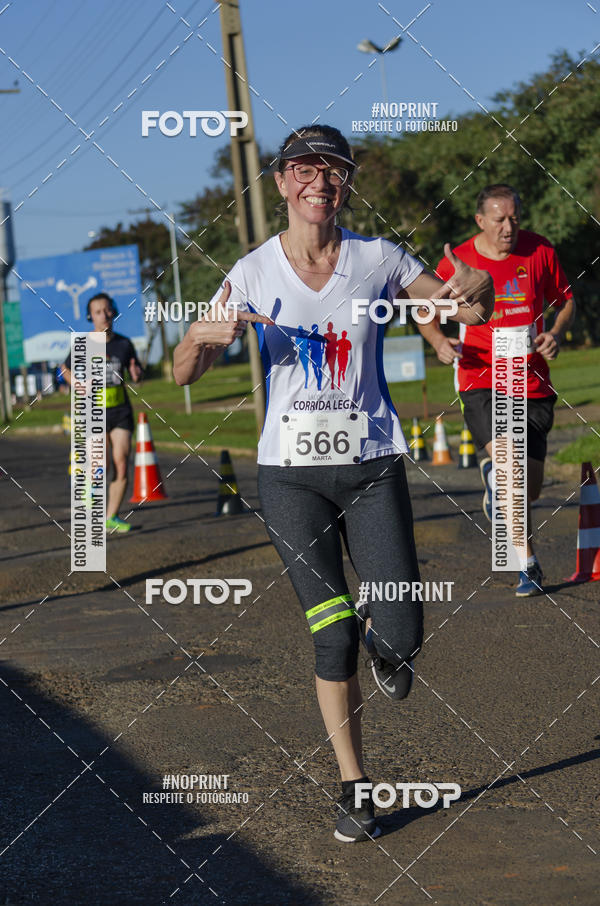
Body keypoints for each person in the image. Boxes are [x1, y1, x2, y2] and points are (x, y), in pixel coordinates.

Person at [173, 125, 494, 842]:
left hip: (372, 467)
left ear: (346, 184)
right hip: (290, 477)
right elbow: (181, 371)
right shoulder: (253, 271)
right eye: (305, 171)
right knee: (331, 634)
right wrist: (198, 339)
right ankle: (355, 787)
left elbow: (458, 305)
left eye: (334, 172)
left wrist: (480, 287)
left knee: (403, 631)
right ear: (284, 183)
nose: (320, 183)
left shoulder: (378, 257)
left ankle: (392, 646)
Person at [418, 184, 575, 596]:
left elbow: (565, 300)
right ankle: (527, 563)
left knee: (532, 486)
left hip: (533, 380)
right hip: (481, 377)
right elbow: (424, 310)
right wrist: (437, 341)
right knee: (512, 470)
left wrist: (556, 332)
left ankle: (496, 480)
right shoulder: (459, 261)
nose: (509, 227)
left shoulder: (539, 251)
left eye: (515, 218)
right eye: (500, 219)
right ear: (480, 220)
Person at [63, 292, 143, 533]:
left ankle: (111, 517)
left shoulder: (124, 344)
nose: (105, 315)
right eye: (98, 312)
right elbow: (63, 369)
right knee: (103, 462)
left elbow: (135, 370)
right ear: (91, 317)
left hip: (120, 409)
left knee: (121, 461)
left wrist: (136, 371)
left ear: (114, 311)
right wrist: (77, 384)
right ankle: (88, 494)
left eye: (108, 310)